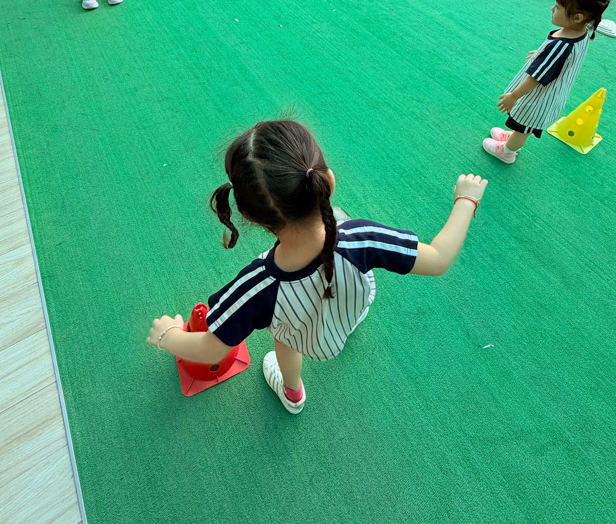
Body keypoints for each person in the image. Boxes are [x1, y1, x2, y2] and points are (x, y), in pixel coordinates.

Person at [147, 120, 487, 414]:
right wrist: (466, 199)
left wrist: (168, 336)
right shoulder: (362, 238)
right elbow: (438, 258)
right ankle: (348, 326)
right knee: (351, 301)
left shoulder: (257, 285)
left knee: (285, 343)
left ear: (250, 215)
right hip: (353, 306)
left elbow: (212, 347)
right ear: (328, 182)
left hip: (303, 336)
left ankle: (293, 393)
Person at [482, 0, 611, 164]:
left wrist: (514, 96)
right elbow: (560, 60)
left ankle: (507, 151)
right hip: (551, 93)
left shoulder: (561, 46)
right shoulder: (579, 32)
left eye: (558, 7)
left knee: (523, 127)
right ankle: (513, 139)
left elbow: (535, 78)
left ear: (577, 17)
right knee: (522, 125)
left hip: (538, 99)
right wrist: (541, 55)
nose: (552, 9)